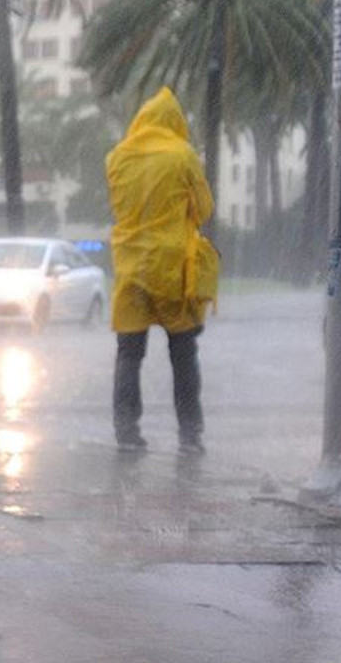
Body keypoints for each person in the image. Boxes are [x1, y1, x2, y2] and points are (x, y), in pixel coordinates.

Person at [106, 87, 219, 455]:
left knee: (129, 353)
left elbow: (120, 203)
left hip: (131, 268)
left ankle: (126, 431)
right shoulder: (182, 155)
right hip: (172, 270)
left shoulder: (118, 157)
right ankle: (190, 435)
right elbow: (203, 208)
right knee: (183, 352)